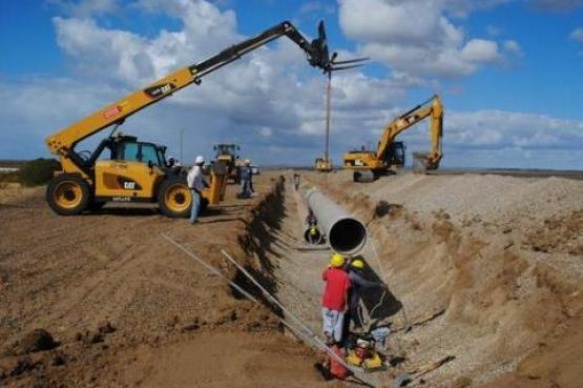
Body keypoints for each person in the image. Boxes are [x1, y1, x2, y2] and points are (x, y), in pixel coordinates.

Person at [346, 258, 384, 330]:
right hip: (351, 296)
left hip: (349, 294)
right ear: (357, 269)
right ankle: (359, 326)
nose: (361, 271)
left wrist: (349, 260)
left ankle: (359, 323)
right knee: (355, 308)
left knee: (356, 308)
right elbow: (365, 283)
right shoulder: (354, 276)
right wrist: (379, 285)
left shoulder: (349, 270)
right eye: (360, 270)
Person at [322, 253, 351, 346]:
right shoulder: (345, 276)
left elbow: (323, 276)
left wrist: (328, 267)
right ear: (342, 264)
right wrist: (346, 304)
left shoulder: (329, 272)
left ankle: (328, 337)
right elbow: (345, 292)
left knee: (327, 321)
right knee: (338, 323)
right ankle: (337, 340)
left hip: (327, 303)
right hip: (339, 304)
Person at [187, 155, 208, 224]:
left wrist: (205, 184)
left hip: (196, 188)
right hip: (195, 189)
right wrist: (192, 187)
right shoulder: (197, 170)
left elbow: (199, 178)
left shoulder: (195, 169)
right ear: (201, 162)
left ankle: (194, 219)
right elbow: (193, 179)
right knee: (196, 204)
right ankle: (192, 220)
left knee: (197, 204)